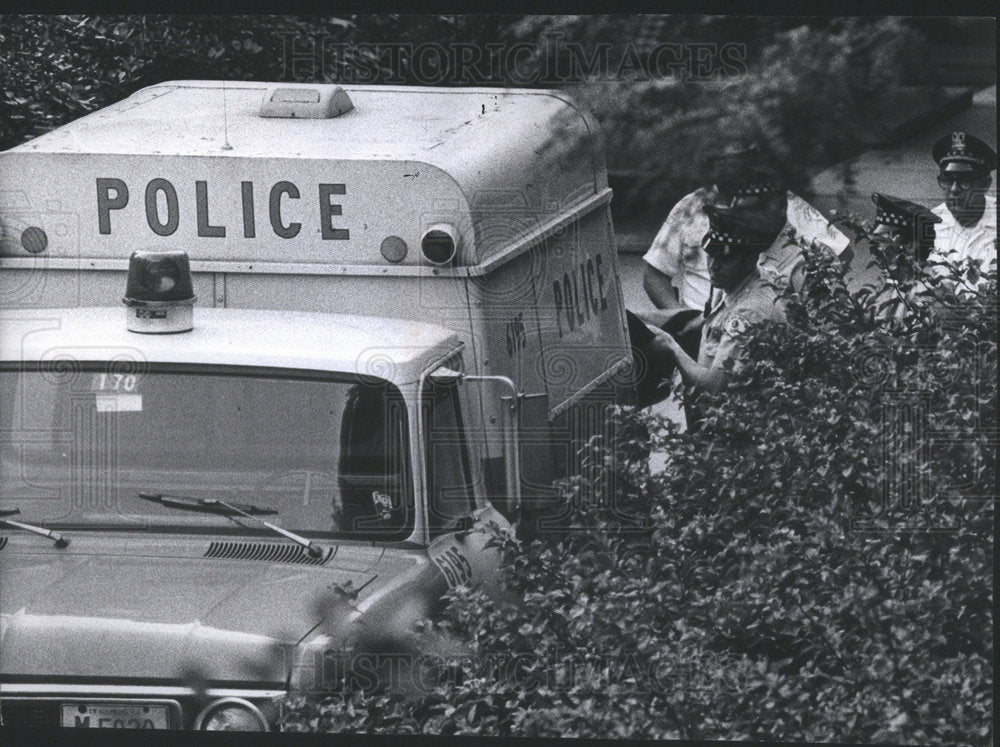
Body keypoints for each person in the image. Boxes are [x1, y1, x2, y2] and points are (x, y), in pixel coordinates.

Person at [641, 145, 848, 319]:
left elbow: (841, 252)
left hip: (768, 325)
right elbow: (655, 275)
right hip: (702, 325)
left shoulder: (779, 202)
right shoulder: (691, 206)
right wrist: (684, 320)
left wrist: (802, 305)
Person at [644, 202, 788, 397]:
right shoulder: (737, 284)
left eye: (725, 260)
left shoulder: (749, 313)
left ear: (749, 261)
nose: (713, 266)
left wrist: (670, 346)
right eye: (711, 256)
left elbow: (714, 386)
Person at [928, 131, 997, 274]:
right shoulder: (929, 223)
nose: (954, 189)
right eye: (947, 180)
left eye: (965, 181)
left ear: (986, 185)